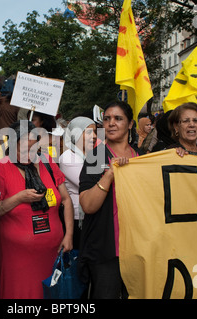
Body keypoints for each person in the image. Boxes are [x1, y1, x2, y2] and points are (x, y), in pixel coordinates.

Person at [0, 120, 74, 299]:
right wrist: (19, 198)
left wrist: (69, 235)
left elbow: (66, 201)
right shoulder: (1, 167)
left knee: (50, 294)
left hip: (52, 252)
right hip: (18, 257)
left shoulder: (47, 164)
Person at [79, 101, 141, 299]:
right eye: (107, 119)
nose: (111, 123)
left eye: (118, 118)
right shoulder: (96, 157)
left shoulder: (142, 158)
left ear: (130, 124)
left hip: (137, 249)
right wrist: (109, 175)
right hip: (106, 252)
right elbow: (88, 205)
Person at [59, 116, 97, 248]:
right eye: (89, 132)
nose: (94, 136)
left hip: (92, 214)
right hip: (77, 219)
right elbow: (88, 183)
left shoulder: (91, 155)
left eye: (95, 132)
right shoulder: (67, 157)